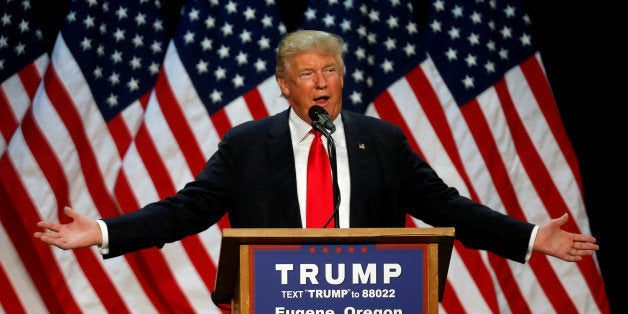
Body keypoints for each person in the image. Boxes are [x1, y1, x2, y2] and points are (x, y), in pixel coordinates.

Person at [34, 30, 598, 264]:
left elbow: (447, 209)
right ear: (284, 83)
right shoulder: (248, 145)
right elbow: (186, 211)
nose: (322, 82)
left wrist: (529, 237)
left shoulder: (381, 141)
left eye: (331, 69)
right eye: (308, 73)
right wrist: (103, 231)